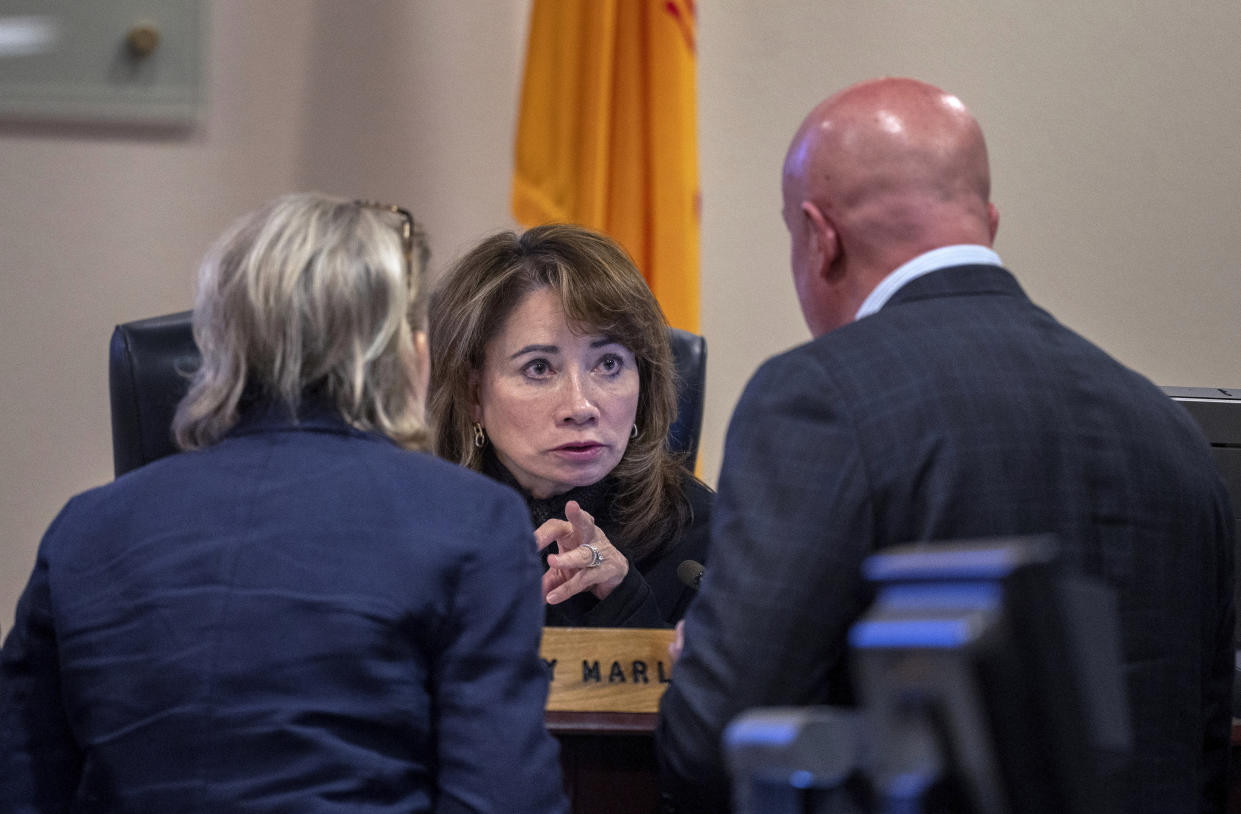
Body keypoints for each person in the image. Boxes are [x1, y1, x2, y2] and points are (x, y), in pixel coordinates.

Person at [656, 77, 1234, 813]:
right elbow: (1207, 751)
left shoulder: (815, 399)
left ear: (819, 236)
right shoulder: (1167, 429)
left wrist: (698, 671)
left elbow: (719, 743)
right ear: (985, 222)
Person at [0, 193, 567, 813]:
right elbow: (501, 798)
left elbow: (22, 785)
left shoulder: (85, 529)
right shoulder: (470, 522)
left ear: (219, 343)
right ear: (404, 353)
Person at [428, 223, 712, 628]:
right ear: (473, 395)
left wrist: (624, 598)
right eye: (539, 367)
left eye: (609, 364)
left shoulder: (701, 541)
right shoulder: (412, 528)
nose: (580, 406)